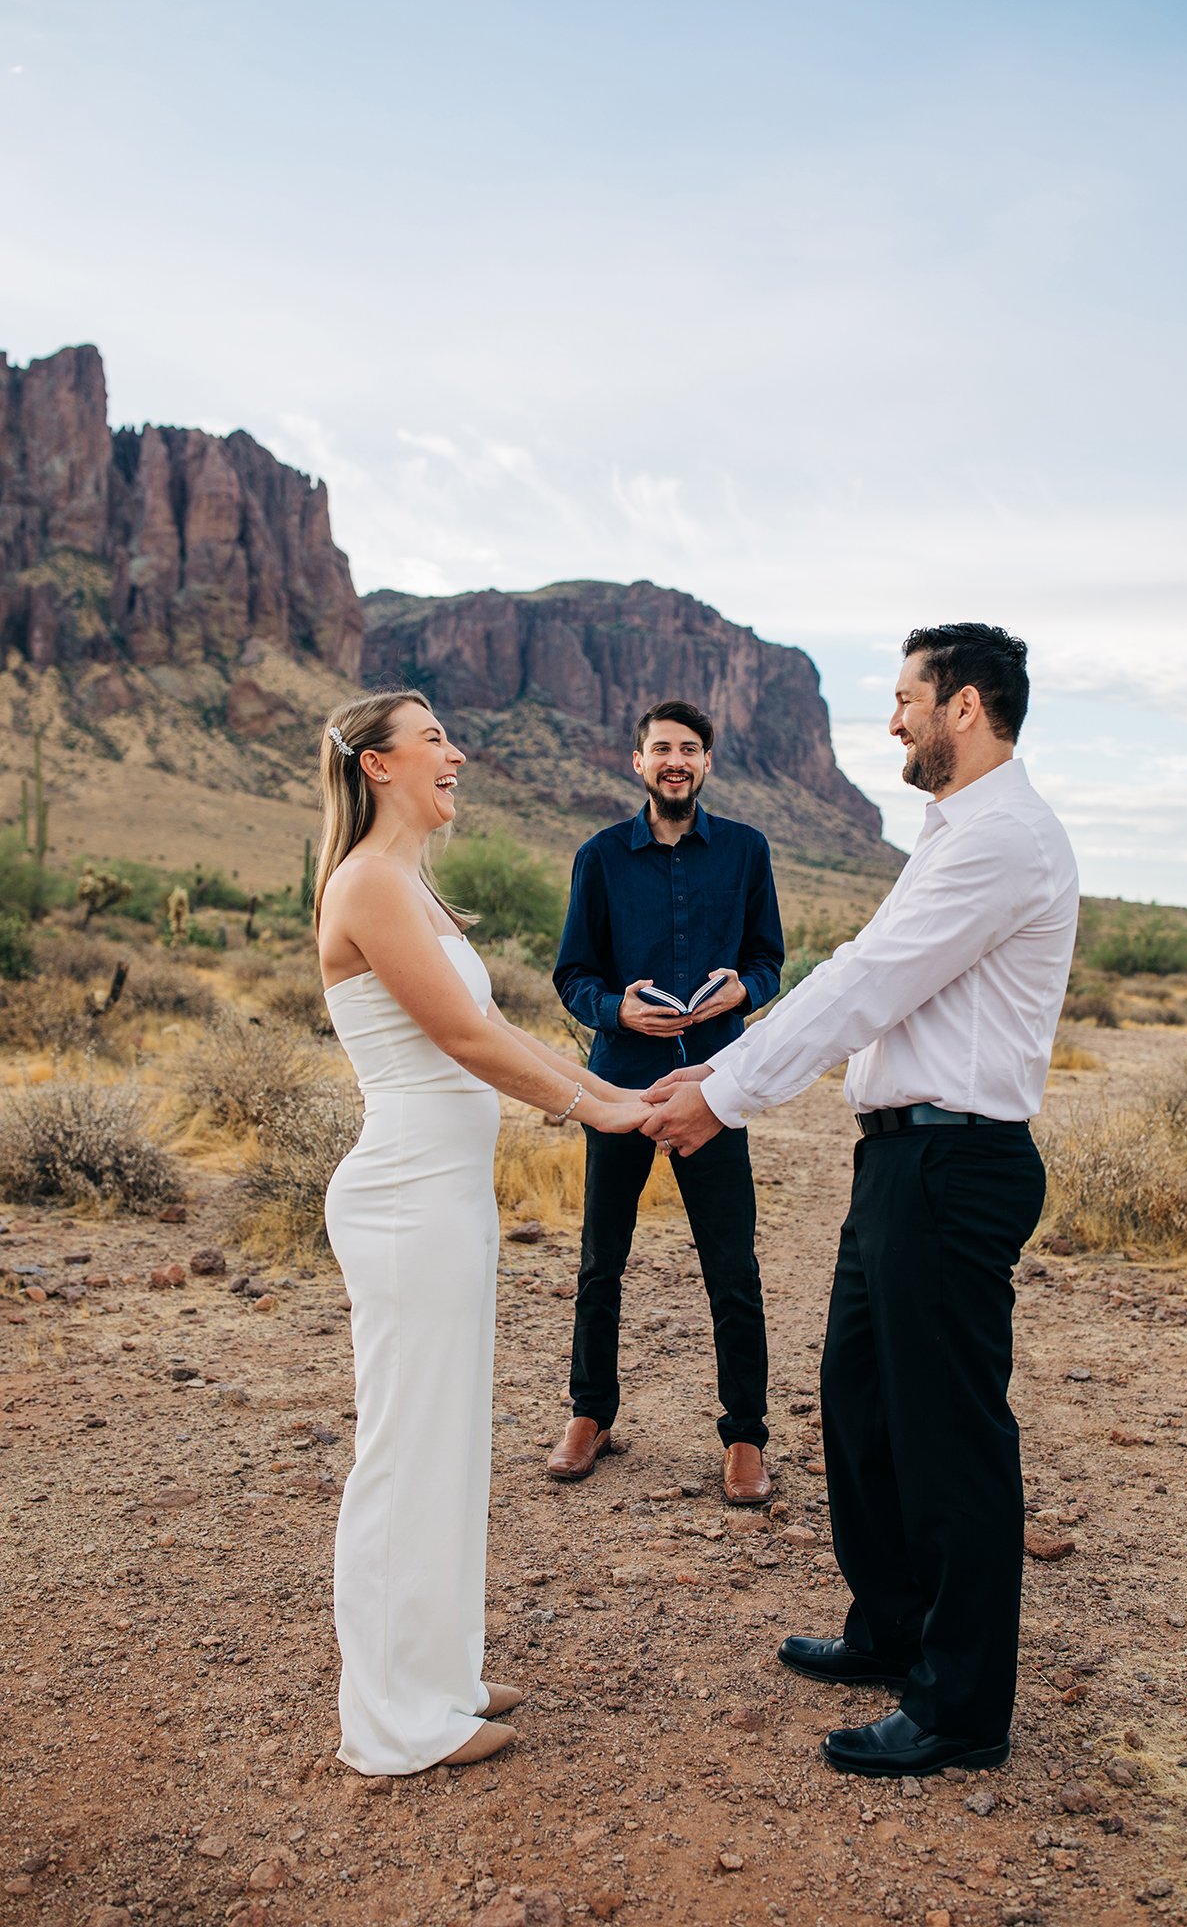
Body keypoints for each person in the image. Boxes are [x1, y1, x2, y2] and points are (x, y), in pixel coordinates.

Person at [642, 626, 1078, 1777]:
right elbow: (854, 968)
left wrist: (723, 1095)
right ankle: (892, 1627)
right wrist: (714, 1070)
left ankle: (959, 1708)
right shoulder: (950, 837)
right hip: (899, 1162)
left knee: (949, 1438)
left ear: (964, 707)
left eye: (904, 699)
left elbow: (870, 982)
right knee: (862, 1406)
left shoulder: (1003, 841)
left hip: (955, 1164)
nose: (891, 720)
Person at [315, 688, 648, 1775]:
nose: (456, 753)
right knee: (403, 1451)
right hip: (407, 1196)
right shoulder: (366, 881)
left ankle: (440, 1673)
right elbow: (460, 1035)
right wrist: (597, 1113)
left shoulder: (412, 882)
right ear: (378, 765)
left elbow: (501, 1024)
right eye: (435, 740)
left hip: (446, 1196)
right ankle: (392, 1720)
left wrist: (616, 1092)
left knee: (446, 1444)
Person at [548, 699, 784, 1502]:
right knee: (599, 1260)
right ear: (638, 762)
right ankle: (591, 1415)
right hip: (620, 1081)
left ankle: (745, 1436)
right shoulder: (600, 856)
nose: (674, 760)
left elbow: (767, 962)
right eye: (661, 749)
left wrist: (737, 993)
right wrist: (617, 1008)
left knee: (730, 1266)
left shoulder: (747, 852)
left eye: (688, 748)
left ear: (706, 763)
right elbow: (573, 975)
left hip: (715, 1084)